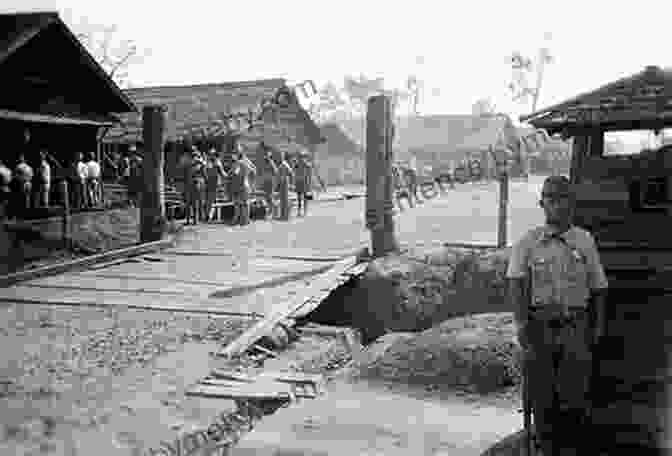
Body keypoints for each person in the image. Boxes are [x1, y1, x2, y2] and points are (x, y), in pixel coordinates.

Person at [506, 175, 608, 456]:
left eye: (563, 198)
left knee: (574, 394)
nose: (557, 205)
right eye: (551, 199)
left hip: (576, 326)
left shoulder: (584, 240)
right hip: (540, 327)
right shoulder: (528, 243)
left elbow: (599, 287)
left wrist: (597, 327)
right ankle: (543, 446)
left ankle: (570, 448)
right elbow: (516, 283)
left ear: (571, 204)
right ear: (542, 204)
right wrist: (522, 325)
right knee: (541, 394)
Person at [230, 144, 256, 226]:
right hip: (246, 184)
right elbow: (254, 170)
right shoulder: (246, 162)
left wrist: (231, 173)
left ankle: (238, 220)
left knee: (238, 204)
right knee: (245, 203)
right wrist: (251, 182)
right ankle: (245, 220)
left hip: (240, 185)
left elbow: (235, 173)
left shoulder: (239, 163)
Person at [183, 147, 206, 225]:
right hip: (192, 184)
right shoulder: (194, 162)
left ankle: (193, 220)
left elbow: (203, 172)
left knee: (193, 203)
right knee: (191, 203)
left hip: (195, 184)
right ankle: (191, 220)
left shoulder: (198, 163)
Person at [204, 148, 228, 222]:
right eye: (210, 154)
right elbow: (222, 173)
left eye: (212, 154)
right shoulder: (211, 162)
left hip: (213, 183)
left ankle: (209, 216)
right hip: (210, 183)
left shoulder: (214, 162)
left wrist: (228, 176)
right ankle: (208, 216)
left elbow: (222, 173)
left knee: (211, 200)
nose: (211, 156)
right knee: (210, 200)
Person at [259, 144, 278, 220]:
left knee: (269, 198)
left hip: (270, 182)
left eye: (266, 155)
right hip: (266, 182)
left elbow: (276, 172)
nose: (264, 156)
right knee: (267, 198)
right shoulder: (265, 162)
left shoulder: (271, 162)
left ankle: (275, 211)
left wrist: (272, 180)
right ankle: (270, 212)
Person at [276, 151, 294, 221]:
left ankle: (285, 216)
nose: (278, 158)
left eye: (280, 156)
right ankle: (283, 215)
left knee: (284, 200)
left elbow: (290, 173)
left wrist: (291, 183)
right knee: (283, 200)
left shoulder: (284, 164)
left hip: (284, 183)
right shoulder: (283, 164)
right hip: (283, 183)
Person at [294, 151, 312, 216]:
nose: (301, 158)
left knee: (305, 198)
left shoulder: (307, 165)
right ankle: (299, 211)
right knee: (299, 198)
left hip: (304, 182)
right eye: (300, 157)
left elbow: (309, 175)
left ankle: (305, 211)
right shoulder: (297, 165)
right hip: (299, 182)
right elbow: (295, 174)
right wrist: (294, 183)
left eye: (303, 157)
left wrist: (309, 184)